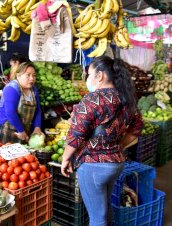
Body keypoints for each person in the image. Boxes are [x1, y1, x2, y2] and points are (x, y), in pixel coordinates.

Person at [61, 56, 143, 226]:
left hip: (92, 166)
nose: (87, 79)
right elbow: (135, 131)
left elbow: (76, 135)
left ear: (100, 76)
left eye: (89, 74)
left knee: (97, 217)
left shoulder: (92, 100)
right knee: (105, 209)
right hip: (116, 163)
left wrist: (65, 158)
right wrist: (114, 147)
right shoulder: (127, 98)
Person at [0, 62, 42, 144]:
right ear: (18, 76)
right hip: (2, 128)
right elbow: (11, 112)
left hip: (20, 129)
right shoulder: (11, 88)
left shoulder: (33, 89)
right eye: (28, 75)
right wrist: (21, 130)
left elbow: (38, 110)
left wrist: (37, 127)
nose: (32, 78)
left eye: (34, 75)